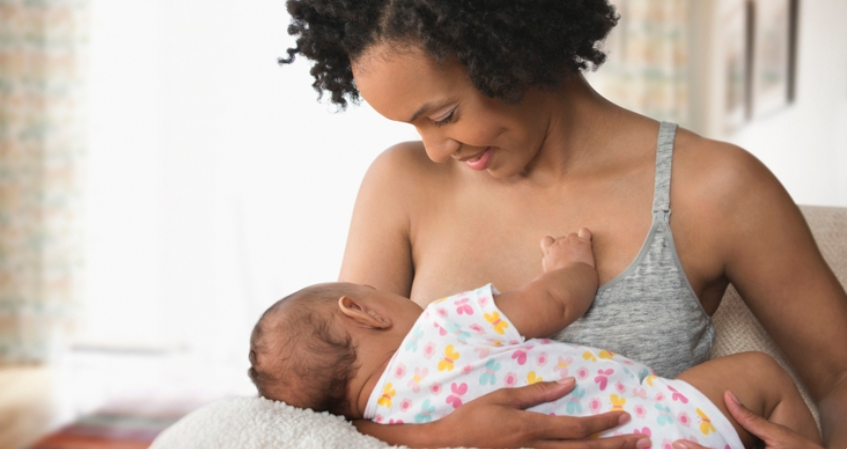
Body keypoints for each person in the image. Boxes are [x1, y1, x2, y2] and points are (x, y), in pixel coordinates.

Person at [280, 1, 847, 448]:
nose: (432, 149)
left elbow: (839, 375)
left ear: (509, 51)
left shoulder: (713, 188)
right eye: (413, 125)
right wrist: (439, 438)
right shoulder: (401, 186)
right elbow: (331, 410)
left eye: (445, 115)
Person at [248, 230, 820, 448]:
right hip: (655, 421)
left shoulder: (391, 434)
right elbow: (554, 304)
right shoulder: (441, 325)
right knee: (761, 378)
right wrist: (570, 264)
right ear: (364, 312)